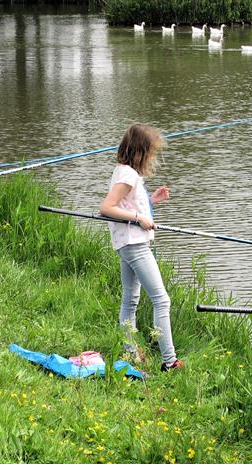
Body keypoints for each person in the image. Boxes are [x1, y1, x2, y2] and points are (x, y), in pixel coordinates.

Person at [99, 123, 184, 371]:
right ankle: (169, 361)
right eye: (151, 152)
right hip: (134, 245)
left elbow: (126, 204)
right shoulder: (128, 175)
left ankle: (130, 352)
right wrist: (139, 218)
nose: (152, 157)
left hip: (128, 243)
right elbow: (107, 208)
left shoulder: (125, 172)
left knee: (131, 299)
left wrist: (151, 200)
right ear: (139, 151)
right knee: (161, 300)